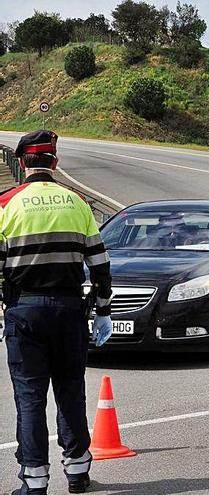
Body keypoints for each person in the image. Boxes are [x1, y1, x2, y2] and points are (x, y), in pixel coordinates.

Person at [2, 130, 113, 495]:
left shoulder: (6, 204)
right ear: (55, 162)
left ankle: (35, 483)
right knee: (71, 391)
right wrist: (102, 310)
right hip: (69, 311)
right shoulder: (78, 202)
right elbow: (99, 262)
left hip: (25, 310)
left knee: (30, 397)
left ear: (21, 163)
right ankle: (78, 474)